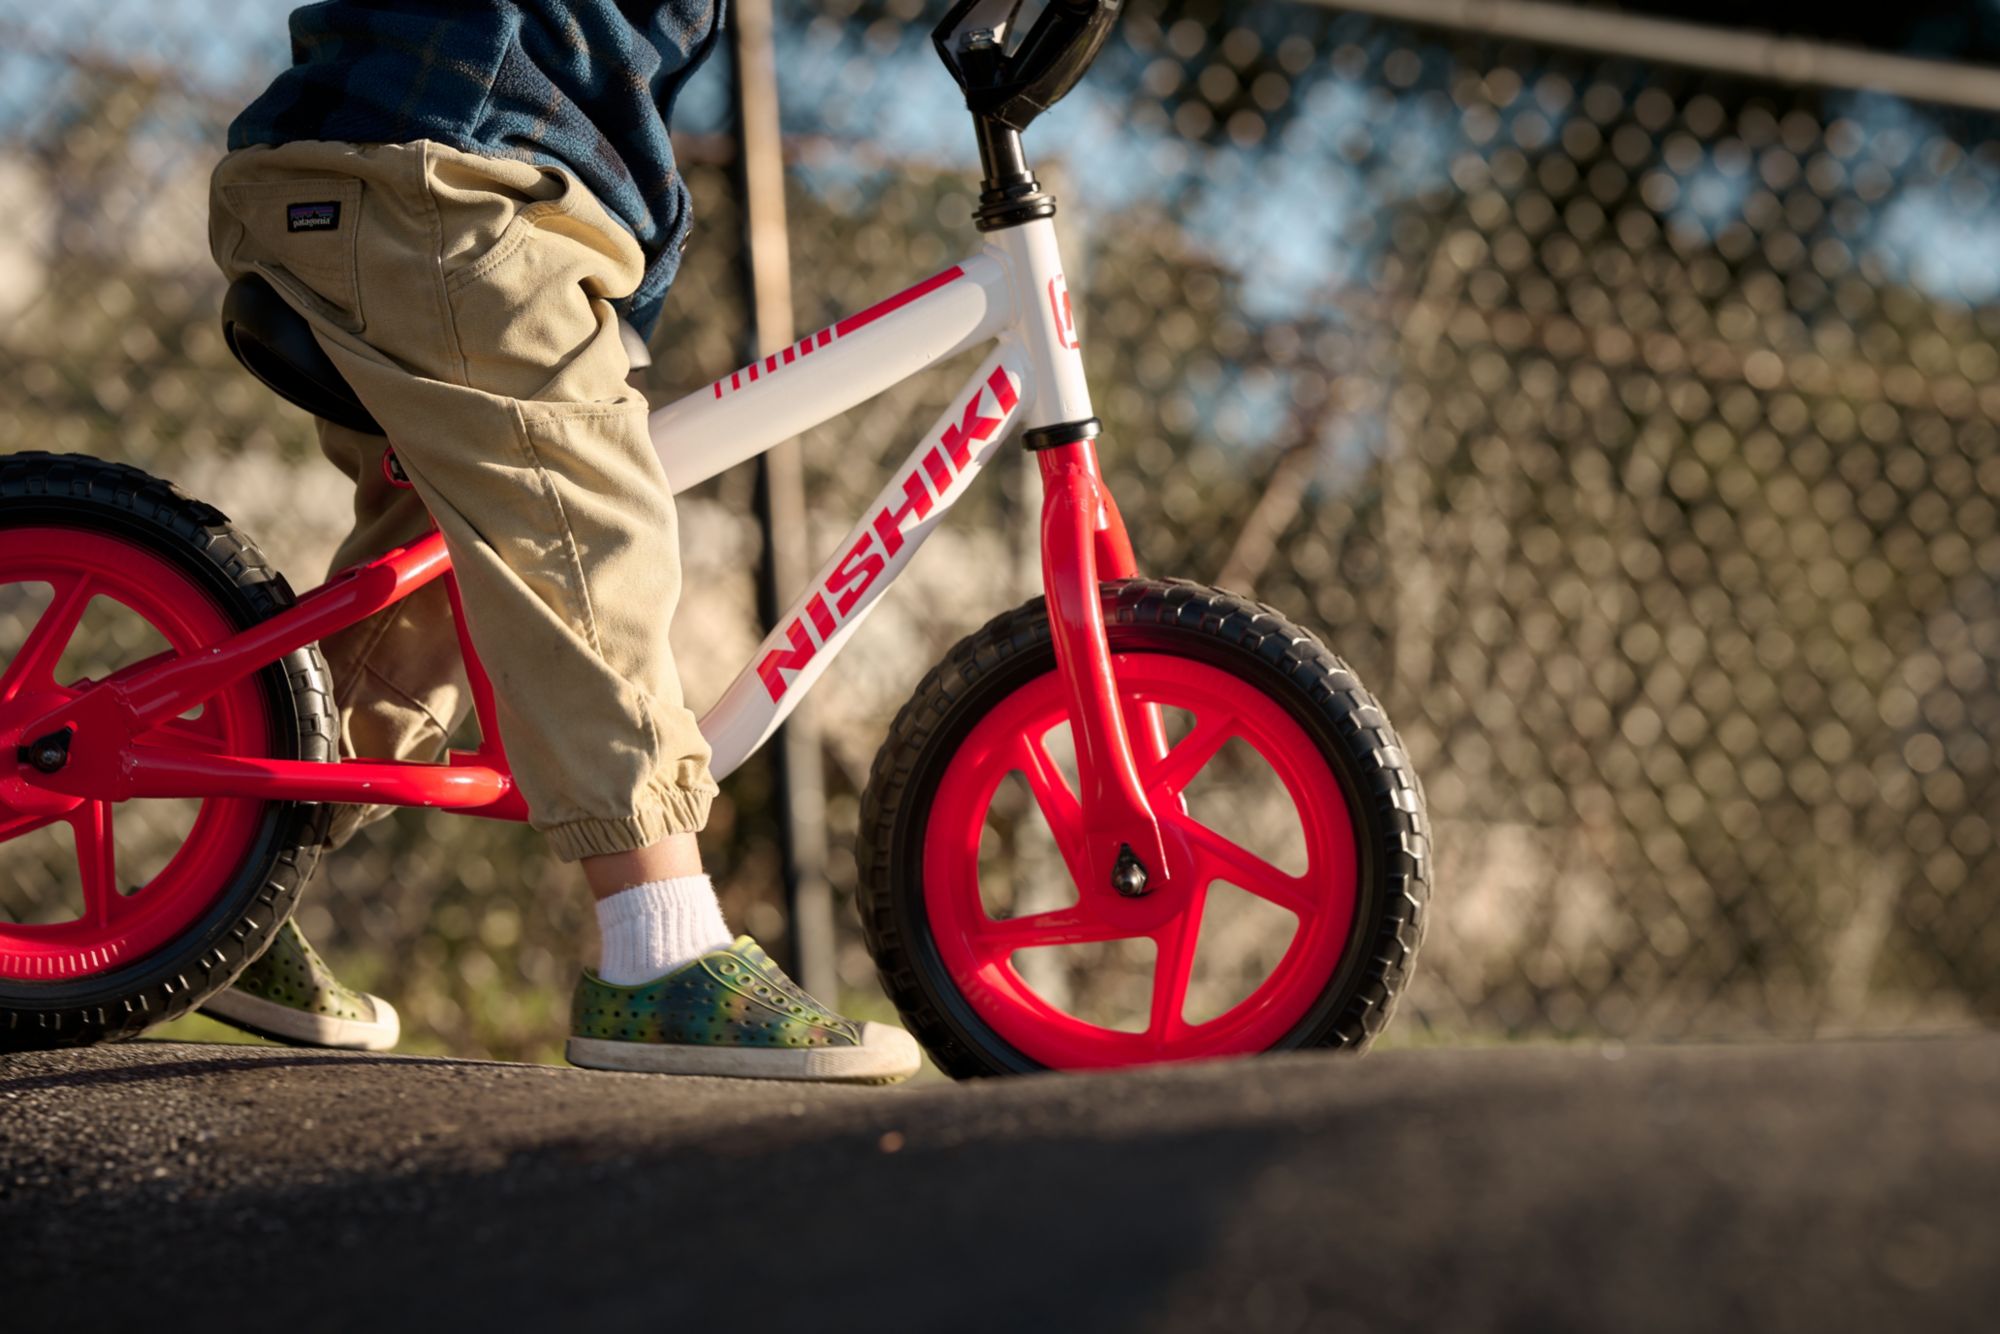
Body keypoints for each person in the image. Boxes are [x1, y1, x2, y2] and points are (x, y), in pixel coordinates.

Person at [193, 0, 920, 1083]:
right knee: (589, 527)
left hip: (391, 179)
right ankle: (657, 949)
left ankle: (223, 901)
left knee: (436, 573)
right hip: (440, 190)